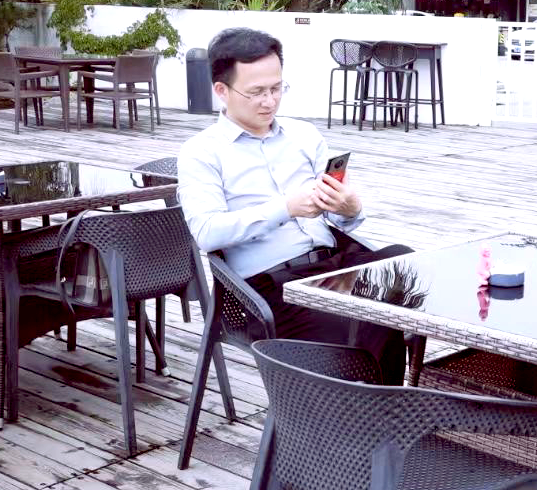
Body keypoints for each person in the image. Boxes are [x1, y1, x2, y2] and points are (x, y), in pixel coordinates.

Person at [176, 27, 413, 382]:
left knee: (405, 267)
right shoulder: (202, 152)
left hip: (332, 266)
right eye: (256, 92)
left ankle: (380, 403)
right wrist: (285, 208)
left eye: (277, 88)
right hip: (269, 288)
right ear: (222, 91)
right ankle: (373, 405)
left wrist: (348, 208)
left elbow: (335, 214)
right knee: (366, 320)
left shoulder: (304, 135)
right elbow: (208, 232)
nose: (269, 101)